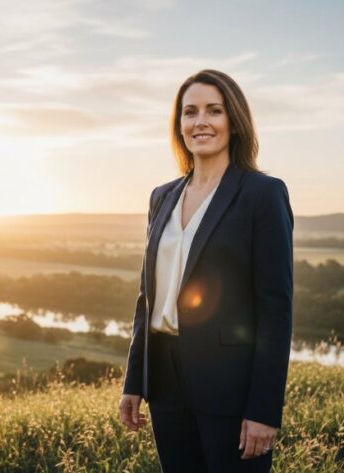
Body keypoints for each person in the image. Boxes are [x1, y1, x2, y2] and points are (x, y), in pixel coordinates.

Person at [118, 69, 294, 472]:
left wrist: (264, 410)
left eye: (214, 111)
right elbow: (149, 297)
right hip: (164, 382)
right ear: (178, 125)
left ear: (234, 122)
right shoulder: (162, 196)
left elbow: (275, 309)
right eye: (189, 112)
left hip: (230, 387)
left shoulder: (262, 195)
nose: (201, 122)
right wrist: (135, 381)